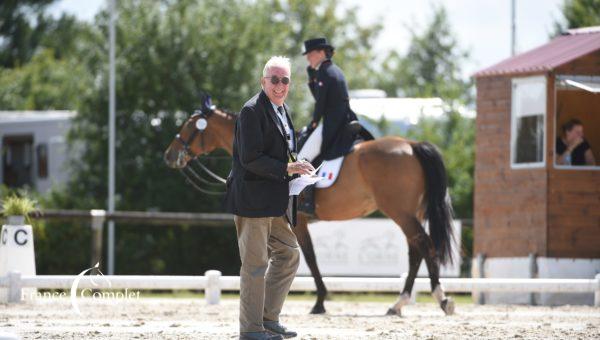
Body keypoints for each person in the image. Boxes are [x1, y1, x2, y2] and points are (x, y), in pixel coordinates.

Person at [224, 56, 314, 340]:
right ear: (263, 81)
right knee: (254, 266)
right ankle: (250, 330)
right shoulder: (251, 111)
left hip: (274, 201)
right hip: (251, 202)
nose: (279, 85)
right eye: (274, 79)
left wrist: (298, 165)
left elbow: (280, 151)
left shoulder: (283, 109)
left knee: (289, 254)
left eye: (284, 80)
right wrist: (287, 168)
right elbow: (250, 158)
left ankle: (267, 318)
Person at [297, 37, 358, 214]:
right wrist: (311, 80)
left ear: (321, 52)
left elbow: (320, 103)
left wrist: (313, 123)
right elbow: (321, 96)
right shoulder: (334, 70)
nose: (308, 58)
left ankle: (307, 202)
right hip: (345, 119)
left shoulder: (325, 72)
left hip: (333, 123)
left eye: (310, 54)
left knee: (303, 157)